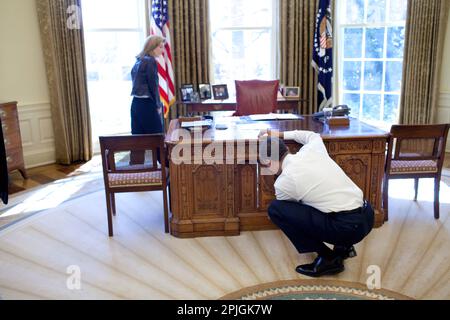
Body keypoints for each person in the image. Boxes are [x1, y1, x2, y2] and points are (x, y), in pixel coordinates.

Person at [258, 129, 375, 277]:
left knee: (276, 209)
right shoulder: (313, 149)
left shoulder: (283, 183)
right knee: (323, 199)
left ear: (269, 162)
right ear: (286, 149)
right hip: (368, 216)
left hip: (347, 228)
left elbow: (297, 215)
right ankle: (343, 248)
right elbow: (311, 135)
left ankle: (328, 258)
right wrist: (278, 134)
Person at [130, 35, 165, 164]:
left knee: (137, 141)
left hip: (136, 105)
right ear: (153, 47)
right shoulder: (150, 61)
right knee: (158, 140)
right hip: (147, 105)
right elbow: (153, 85)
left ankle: (136, 170)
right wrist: (158, 105)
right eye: (160, 47)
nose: (162, 50)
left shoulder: (139, 60)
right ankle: (169, 170)